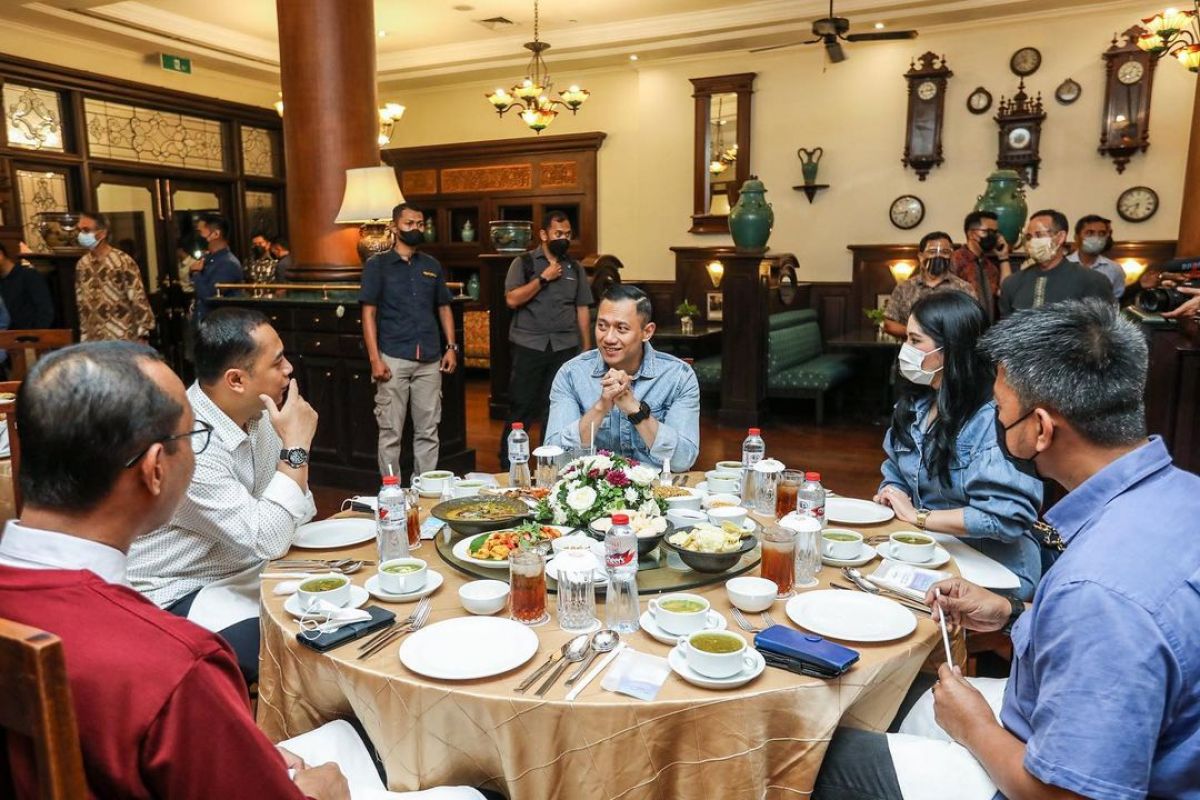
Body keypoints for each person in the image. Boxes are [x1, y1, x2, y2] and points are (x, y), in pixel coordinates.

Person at [0, 341, 487, 800]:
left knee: (342, 734)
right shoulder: (176, 666)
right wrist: (320, 791)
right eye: (191, 437)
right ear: (155, 468)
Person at [813, 299, 1200, 800]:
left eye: (1000, 409)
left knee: (809, 754)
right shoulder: (1182, 493)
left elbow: (1070, 795)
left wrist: (973, 725)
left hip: (1035, 773)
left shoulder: (1101, 592)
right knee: (877, 698)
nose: (995, 419)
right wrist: (1011, 612)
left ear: (1040, 429)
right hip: (1044, 715)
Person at [127, 308, 318, 684]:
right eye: (277, 362)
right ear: (236, 380)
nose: (289, 369)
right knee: (296, 646)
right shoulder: (190, 441)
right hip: (180, 590)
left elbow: (297, 514)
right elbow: (271, 536)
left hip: (248, 569)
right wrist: (296, 448)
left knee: (343, 612)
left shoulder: (259, 416)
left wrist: (289, 464)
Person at [875, 291, 1043, 598]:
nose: (905, 350)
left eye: (915, 340)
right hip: (931, 551)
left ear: (950, 348)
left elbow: (1005, 517)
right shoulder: (916, 404)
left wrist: (918, 517)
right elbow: (895, 470)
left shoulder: (991, 418)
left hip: (995, 566)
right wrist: (892, 493)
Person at [544, 284, 699, 471]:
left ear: (647, 332)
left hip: (656, 486)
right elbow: (554, 460)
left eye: (622, 328)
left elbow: (682, 460)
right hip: (590, 487)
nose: (608, 338)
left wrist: (633, 408)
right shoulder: (571, 374)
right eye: (602, 326)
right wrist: (601, 407)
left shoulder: (678, 377)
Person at [360, 203, 458, 476]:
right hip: (393, 357)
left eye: (420, 224)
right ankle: (392, 491)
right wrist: (375, 359)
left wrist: (451, 347)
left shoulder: (431, 265)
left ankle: (425, 488)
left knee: (429, 430)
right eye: (409, 223)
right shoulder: (377, 265)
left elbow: (444, 307)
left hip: (430, 358)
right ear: (394, 227)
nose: (416, 228)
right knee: (390, 432)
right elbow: (368, 313)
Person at [499, 210, 594, 469]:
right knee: (521, 406)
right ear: (543, 235)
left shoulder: (575, 268)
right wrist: (543, 278)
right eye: (557, 233)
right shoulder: (524, 263)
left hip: (565, 346)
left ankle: (550, 465)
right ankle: (508, 466)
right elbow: (512, 299)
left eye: (567, 234)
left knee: (556, 408)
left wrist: (586, 348)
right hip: (529, 345)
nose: (563, 239)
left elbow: (582, 308)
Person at [997, 209, 1113, 317]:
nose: (1032, 241)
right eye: (1029, 237)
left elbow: (1105, 328)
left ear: (1060, 237)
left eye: (1039, 235)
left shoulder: (1092, 281)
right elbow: (1005, 327)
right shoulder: (1012, 283)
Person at [73, 211, 155, 342]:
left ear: (102, 233)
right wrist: (84, 336)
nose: (81, 234)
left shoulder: (122, 261)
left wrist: (143, 334)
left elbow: (138, 298)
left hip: (123, 338)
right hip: (93, 341)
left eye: (86, 230)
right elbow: (81, 304)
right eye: (79, 230)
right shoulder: (82, 265)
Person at [882, 231, 975, 339]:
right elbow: (888, 324)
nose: (938, 255)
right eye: (932, 252)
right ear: (921, 256)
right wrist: (919, 335)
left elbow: (974, 323)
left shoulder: (964, 288)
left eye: (945, 252)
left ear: (951, 255)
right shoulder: (904, 288)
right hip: (912, 347)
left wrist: (945, 336)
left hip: (951, 347)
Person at [950, 211, 1013, 323]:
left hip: (987, 327)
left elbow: (1005, 292)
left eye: (995, 232)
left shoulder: (990, 267)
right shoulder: (955, 260)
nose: (992, 236)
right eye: (987, 232)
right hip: (961, 326)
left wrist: (1004, 257)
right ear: (971, 234)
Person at [191, 212, 243, 322]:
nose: (198, 236)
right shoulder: (208, 259)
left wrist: (196, 273)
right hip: (203, 321)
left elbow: (209, 297)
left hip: (218, 325)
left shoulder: (228, 263)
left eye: (201, 232)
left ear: (215, 234)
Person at [1065, 214, 1124, 301]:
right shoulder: (1063, 265)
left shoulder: (1114, 269)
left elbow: (1117, 299)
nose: (1096, 237)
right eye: (1090, 233)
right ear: (1076, 237)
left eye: (1102, 233)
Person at [0, 240, 54, 328]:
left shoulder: (28, 275)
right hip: (8, 334)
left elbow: (45, 311)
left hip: (31, 333)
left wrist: (36, 333)